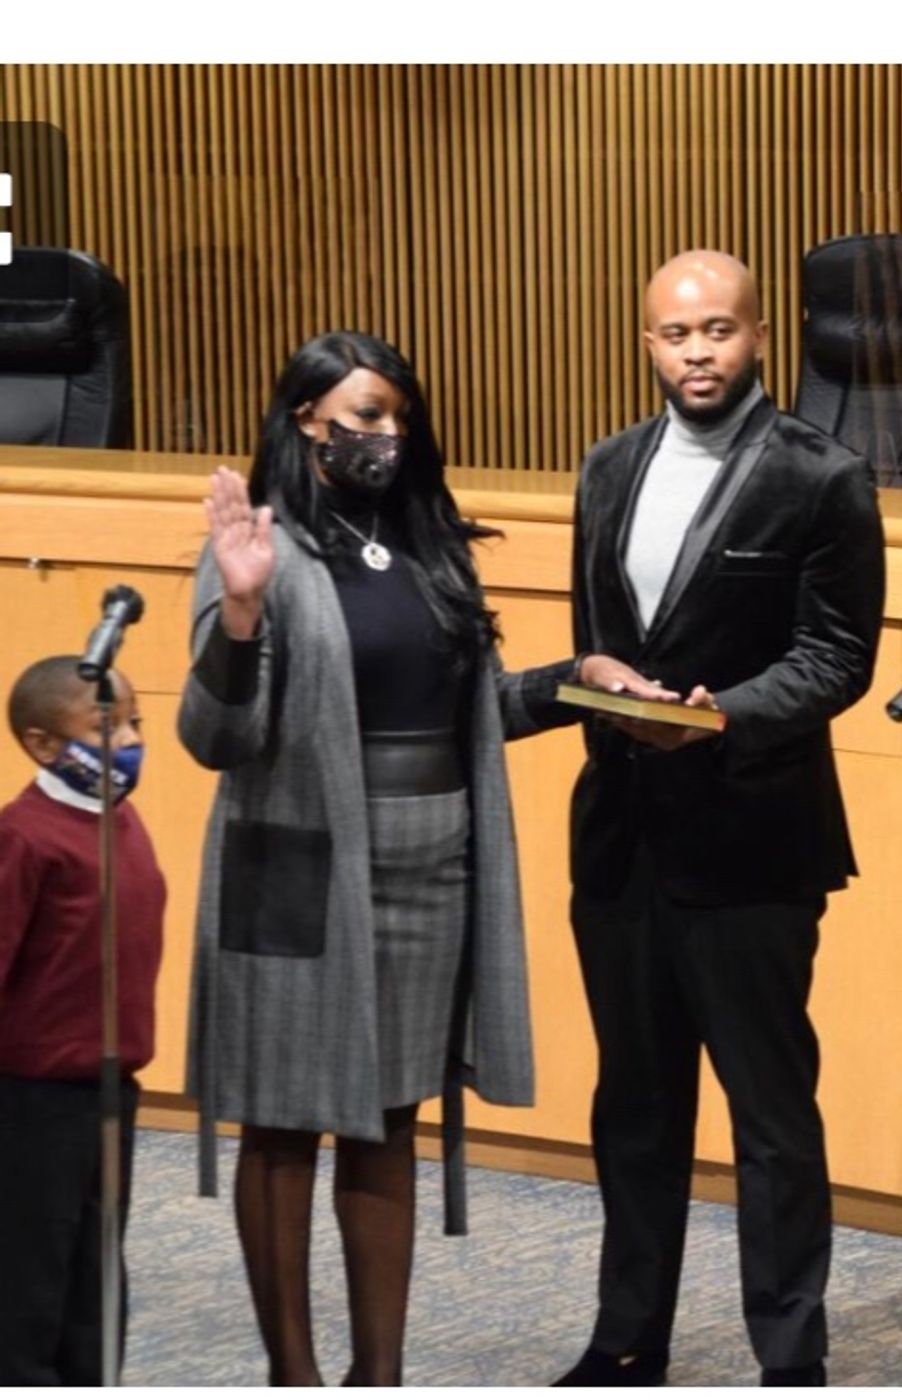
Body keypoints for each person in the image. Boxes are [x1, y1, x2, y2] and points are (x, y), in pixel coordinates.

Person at [178, 331, 640, 1386]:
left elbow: (468, 711)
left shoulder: (430, 543)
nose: (383, 434)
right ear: (306, 420)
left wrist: (578, 676)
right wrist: (240, 612)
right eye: (363, 414)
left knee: (387, 1123)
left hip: (429, 865)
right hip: (297, 870)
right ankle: (293, 1373)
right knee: (289, 1123)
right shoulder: (259, 542)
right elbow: (213, 735)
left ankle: (377, 1375)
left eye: (394, 414)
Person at [552, 250, 886, 1388]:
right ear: (645, 342)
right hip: (621, 841)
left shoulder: (822, 473)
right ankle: (626, 1337)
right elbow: (596, 630)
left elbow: (836, 656)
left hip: (752, 841)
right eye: (673, 334)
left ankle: (790, 1354)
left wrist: (721, 716)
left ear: (759, 338)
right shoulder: (604, 467)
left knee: (769, 1117)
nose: (696, 351)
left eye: (718, 331)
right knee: (633, 1110)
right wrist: (599, 675)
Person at [0, 658, 165, 1385]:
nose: (128, 739)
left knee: (97, 1266)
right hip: (32, 1098)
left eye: (134, 722)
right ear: (42, 745)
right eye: (107, 726)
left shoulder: (120, 822)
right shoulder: (25, 837)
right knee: (31, 1266)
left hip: (110, 1087)